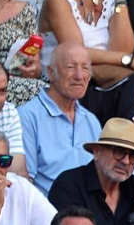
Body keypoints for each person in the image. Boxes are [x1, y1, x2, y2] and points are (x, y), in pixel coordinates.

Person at [18, 42, 100, 195]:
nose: (79, 76)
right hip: (48, 212)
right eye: (70, 67)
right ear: (50, 73)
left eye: (85, 68)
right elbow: (24, 183)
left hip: (88, 212)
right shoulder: (27, 116)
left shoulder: (91, 121)